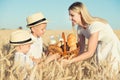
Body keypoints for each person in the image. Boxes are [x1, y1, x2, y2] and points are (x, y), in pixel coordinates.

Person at [65, 2, 120, 70]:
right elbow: (81, 49)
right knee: (100, 71)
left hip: (111, 46)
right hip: (99, 45)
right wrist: (70, 60)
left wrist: (70, 61)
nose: (69, 18)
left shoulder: (94, 26)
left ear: (81, 14)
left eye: (72, 15)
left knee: (111, 71)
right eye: (69, 15)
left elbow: (90, 53)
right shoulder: (79, 28)